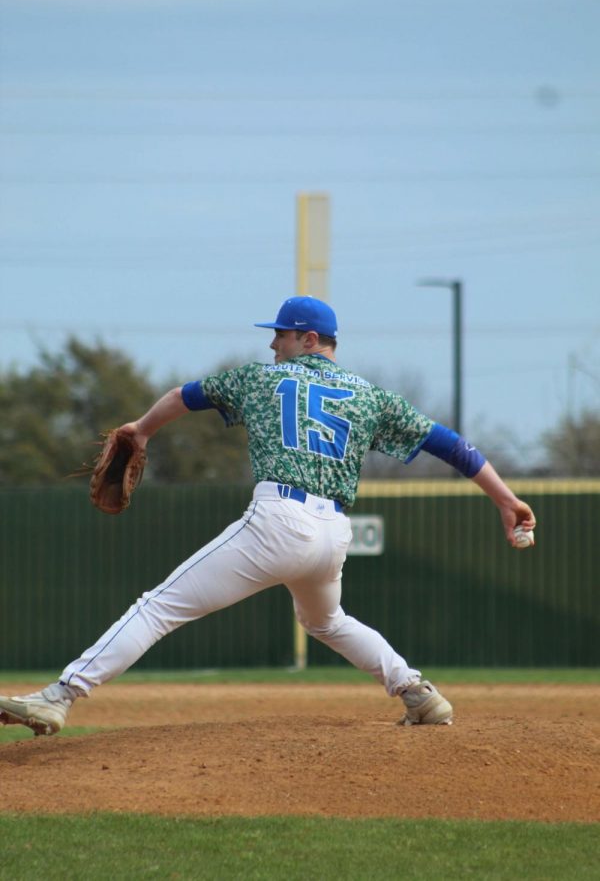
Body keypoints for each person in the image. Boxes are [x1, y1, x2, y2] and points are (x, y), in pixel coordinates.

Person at [0, 296, 536, 736]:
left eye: (281, 334)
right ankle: (417, 692)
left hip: (278, 520)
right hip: (332, 535)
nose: (272, 343)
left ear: (308, 339)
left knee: (159, 607)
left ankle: (61, 695)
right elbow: (452, 445)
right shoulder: (370, 396)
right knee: (326, 621)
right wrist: (505, 499)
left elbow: (183, 396)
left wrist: (141, 429)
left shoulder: (260, 379)